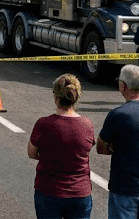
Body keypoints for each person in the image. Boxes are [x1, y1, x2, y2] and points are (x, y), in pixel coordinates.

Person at [97, 65, 139, 219]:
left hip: (124, 188)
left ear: (123, 86)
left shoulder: (117, 115)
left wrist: (114, 147)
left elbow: (101, 147)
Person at [28, 73, 95, 219]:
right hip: (80, 192)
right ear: (77, 97)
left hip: (49, 191)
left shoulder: (43, 124)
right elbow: (87, 149)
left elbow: (32, 153)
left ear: (55, 96)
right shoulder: (87, 124)